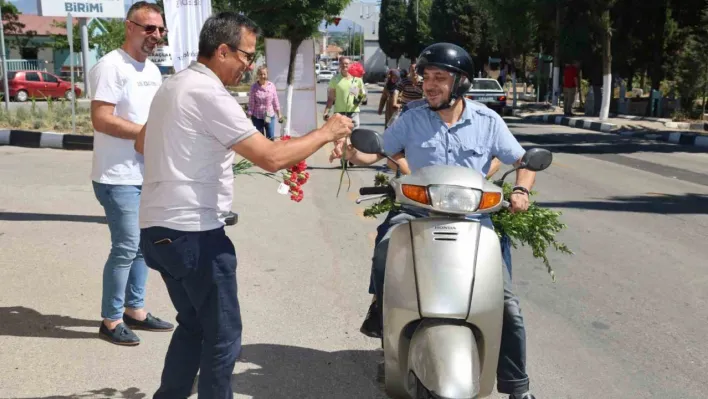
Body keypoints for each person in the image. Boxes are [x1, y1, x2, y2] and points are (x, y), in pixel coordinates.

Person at [134, 12, 353, 398]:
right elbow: (269, 158)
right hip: (194, 235)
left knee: (193, 325)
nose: (249, 65)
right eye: (246, 56)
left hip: (157, 231)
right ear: (222, 50)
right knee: (223, 338)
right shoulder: (210, 93)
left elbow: (142, 143)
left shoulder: (174, 85)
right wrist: (326, 132)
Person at [330, 42, 537, 399]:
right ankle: (383, 311)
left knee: (506, 303)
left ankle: (518, 387)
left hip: (473, 219)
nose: (430, 85)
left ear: (461, 83)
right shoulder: (411, 118)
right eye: (426, 77)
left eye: (440, 78)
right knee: (384, 250)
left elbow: (523, 161)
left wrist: (522, 192)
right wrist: (348, 149)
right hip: (415, 213)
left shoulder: (488, 122)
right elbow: (379, 150)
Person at [89, 1, 173, 346]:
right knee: (125, 247)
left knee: (141, 247)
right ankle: (110, 320)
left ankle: (134, 310)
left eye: (160, 29)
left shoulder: (151, 71)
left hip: (144, 174)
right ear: (129, 27)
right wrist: (144, 133)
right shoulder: (111, 66)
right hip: (116, 176)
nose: (155, 35)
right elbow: (101, 118)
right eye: (148, 28)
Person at [323, 56, 366, 128]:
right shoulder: (335, 79)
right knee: (340, 138)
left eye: (346, 63)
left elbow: (362, 95)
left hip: (353, 113)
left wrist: (360, 99)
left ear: (350, 65)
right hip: (339, 114)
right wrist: (326, 112)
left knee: (354, 136)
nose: (344, 65)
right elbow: (331, 98)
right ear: (339, 65)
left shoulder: (356, 79)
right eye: (342, 63)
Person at [247, 65, 283, 140]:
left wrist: (279, 114)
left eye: (264, 74)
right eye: (260, 74)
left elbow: (275, 101)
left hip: (269, 115)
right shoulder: (254, 87)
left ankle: (271, 151)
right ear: (258, 75)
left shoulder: (271, 85)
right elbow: (251, 103)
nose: (262, 76)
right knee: (260, 139)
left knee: (270, 137)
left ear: (267, 74)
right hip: (257, 116)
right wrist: (249, 116)